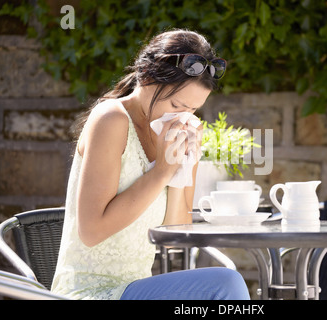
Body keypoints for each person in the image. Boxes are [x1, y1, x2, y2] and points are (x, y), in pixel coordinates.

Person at [51, 29, 250, 300]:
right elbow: (91, 231)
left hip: (139, 289)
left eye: (192, 110)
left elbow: (176, 234)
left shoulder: (174, 137)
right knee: (225, 284)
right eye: (176, 104)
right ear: (146, 76)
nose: (183, 117)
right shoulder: (111, 120)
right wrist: (160, 173)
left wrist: (181, 168)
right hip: (89, 292)